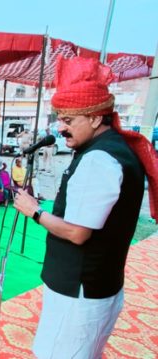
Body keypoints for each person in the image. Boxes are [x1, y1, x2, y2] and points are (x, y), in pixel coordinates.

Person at [12, 57, 157, 358]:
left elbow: (78, 233)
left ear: (94, 117)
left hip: (79, 292)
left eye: (69, 120)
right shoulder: (113, 149)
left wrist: (34, 211)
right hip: (96, 285)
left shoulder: (98, 160)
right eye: (60, 119)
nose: (61, 128)